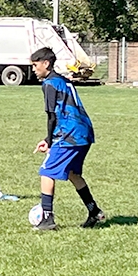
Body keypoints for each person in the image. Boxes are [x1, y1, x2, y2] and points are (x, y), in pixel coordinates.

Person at [30, 47, 105, 230]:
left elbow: (52, 116)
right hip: (84, 132)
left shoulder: (49, 83)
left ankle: (47, 218)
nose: (33, 69)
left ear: (45, 64)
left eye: (35, 65)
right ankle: (94, 211)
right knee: (73, 173)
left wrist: (49, 141)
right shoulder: (62, 80)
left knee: (47, 172)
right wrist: (49, 139)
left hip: (70, 134)